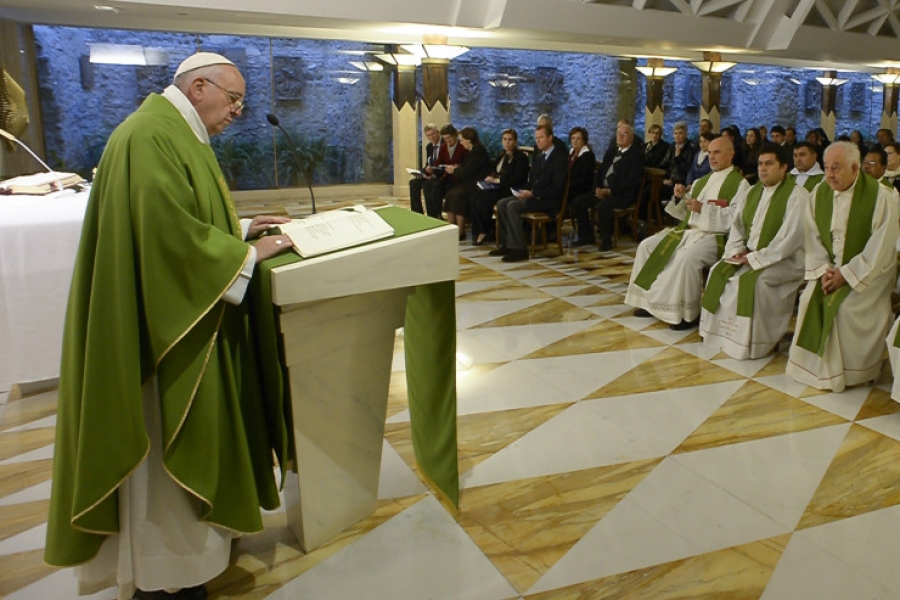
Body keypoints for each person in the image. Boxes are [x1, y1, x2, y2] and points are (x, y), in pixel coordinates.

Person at [45, 52, 296, 600]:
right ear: (199, 85)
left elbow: (186, 215)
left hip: (178, 309)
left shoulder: (174, 129)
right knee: (165, 449)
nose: (236, 112)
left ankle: (189, 554)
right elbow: (165, 239)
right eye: (232, 100)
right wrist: (245, 256)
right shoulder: (150, 135)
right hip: (163, 331)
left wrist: (242, 228)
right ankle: (169, 572)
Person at [786, 142, 899, 392]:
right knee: (807, 300)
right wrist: (826, 270)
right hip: (830, 269)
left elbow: (880, 247)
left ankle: (854, 371)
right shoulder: (819, 193)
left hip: (870, 273)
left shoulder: (882, 197)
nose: (829, 175)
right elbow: (812, 237)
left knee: (844, 308)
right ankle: (814, 368)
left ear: (856, 168)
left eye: (836, 169)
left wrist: (846, 274)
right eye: (826, 168)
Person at [625, 136, 750, 330]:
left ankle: (686, 314)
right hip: (689, 231)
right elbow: (685, 213)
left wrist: (704, 209)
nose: (712, 157)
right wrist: (681, 196)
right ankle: (648, 303)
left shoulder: (740, 185)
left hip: (716, 237)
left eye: (717, 152)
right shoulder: (701, 181)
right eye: (710, 153)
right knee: (646, 246)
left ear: (731, 154)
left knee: (686, 257)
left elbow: (737, 219)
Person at [699, 143, 807, 359]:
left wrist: (755, 257)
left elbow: (789, 239)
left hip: (784, 261)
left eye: (769, 164)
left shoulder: (797, 196)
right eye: (760, 164)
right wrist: (737, 251)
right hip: (750, 256)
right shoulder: (753, 191)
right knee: (718, 271)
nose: (763, 169)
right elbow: (737, 227)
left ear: (784, 167)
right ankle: (718, 334)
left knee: (752, 283)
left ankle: (752, 343)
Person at [489, 123, 567, 262]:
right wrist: (521, 191)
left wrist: (533, 193)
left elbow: (557, 188)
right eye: (536, 138)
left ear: (550, 138)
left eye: (541, 137)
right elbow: (531, 182)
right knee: (502, 203)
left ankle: (519, 249)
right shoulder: (539, 156)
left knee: (513, 206)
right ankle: (506, 244)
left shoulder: (559, 158)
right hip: (534, 195)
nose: (538, 141)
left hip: (547, 200)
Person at [571, 122, 644, 250]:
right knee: (578, 202)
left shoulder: (636, 155)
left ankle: (606, 240)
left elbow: (631, 181)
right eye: (618, 134)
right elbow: (600, 172)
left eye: (624, 134)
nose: (620, 137)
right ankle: (586, 236)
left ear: (631, 137)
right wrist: (597, 188)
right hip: (603, 190)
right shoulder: (611, 151)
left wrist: (609, 191)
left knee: (603, 206)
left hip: (621, 194)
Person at [470, 128, 529, 246]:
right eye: (505, 139)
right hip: (496, 186)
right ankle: (480, 230)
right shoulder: (502, 155)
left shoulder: (520, 157)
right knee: (474, 197)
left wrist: (497, 180)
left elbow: (517, 178)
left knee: (483, 201)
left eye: (510, 140)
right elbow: (494, 169)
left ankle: (485, 232)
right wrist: (490, 178)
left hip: (509, 189)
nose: (507, 142)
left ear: (515, 141)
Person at [443, 126, 492, 239]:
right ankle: (451, 228)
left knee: (458, 196)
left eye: (462, 140)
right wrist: (458, 167)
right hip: (469, 182)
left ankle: (460, 231)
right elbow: (466, 167)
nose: (460, 143)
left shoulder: (478, 150)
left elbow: (469, 170)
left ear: (468, 139)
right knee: (451, 194)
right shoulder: (471, 151)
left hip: (477, 184)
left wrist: (454, 170)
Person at [423, 123, 467, 218]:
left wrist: (457, 167)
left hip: (458, 178)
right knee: (432, 185)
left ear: (455, 135)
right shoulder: (444, 147)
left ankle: (438, 215)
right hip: (446, 176)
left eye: (449, 138)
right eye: (445, 139)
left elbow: (467, 164)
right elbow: (438, 163)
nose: (447, 141)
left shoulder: (462, 146)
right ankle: (435, 215)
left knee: (436, 186)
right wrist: (431, 169)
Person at [410, 123, 441, 215]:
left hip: (440, 175)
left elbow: (445, 163)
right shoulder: (429, 147)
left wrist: (433, 173)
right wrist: (422, 172)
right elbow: (428, 163)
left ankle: (432, 215)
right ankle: (417, 213)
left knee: (428, 184)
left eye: (433, 134)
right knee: (413, 183)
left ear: (438, 132)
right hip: (431, 174)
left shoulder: (445, 144)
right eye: (428, 135)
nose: (431, 137)